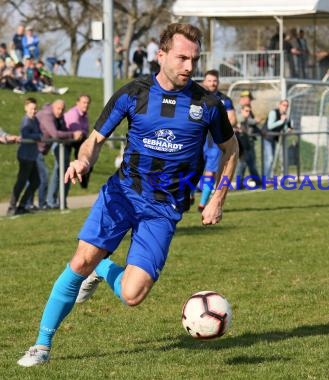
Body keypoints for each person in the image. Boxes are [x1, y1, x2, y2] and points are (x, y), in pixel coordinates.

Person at [17, 22, 238, 367]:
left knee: (133, 295)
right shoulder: (131, 94)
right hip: (122, 194)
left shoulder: (207, 104)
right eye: (182, 58)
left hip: (164, 208)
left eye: (194, 59)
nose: (189, 67)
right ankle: (41, 346)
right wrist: (82, 161)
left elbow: (231, 149)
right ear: (161, 55)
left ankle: (103, 269)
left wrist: (218, 197)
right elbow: (94, 140)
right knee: (79, 260)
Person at [195, 69, 237, 212]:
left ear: (218, 82)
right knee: (192, 168)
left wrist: (219, 126)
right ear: (204, 82)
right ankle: (188, 194)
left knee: (210, 172)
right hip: (197, 140)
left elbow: (233, 119)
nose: (212, 83)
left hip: (214, 142)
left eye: (215, 81)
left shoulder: (224, 100)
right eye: (209, 81)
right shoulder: (196, 97)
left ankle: (203, 203)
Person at [7, 98, 41, 216]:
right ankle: (12, 207)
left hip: (32, 156)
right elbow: (26, 134)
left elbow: (40, 133)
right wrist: (38, 136)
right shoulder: (26, 120)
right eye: (32, 108)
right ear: (26, 108)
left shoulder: (35, 120)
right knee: (21, 182)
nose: (34, 111)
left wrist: (38, 135)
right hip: (25, 156)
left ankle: (21, 206)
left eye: (35, 108)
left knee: (36, 182)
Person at [65, 94, 92, 189]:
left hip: (77, 141)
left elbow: (85, 131)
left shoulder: (85, 116)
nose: (86, 105)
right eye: (84, 102)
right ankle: (82, 179)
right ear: (78, 103)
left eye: (88, 103)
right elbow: (78, 133)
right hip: (67, 141)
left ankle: (84, 181)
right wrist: (83, 134)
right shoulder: (74, 113)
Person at [263, 99, 292, 177]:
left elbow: (285, 127)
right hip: (267, 138)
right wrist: (281, 121)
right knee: (269, 159)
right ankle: (266, 179)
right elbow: (270, 126)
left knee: (272, 159)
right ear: (279, 105)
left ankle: (269, 177)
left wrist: (288, 129)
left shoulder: (285, 116)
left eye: (287, 106)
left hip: (274, 139)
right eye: (284, 105)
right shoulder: (273, 112)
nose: (285, 107)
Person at [235, 104, 262, 188]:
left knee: (251, 164)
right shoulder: (239, 118)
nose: (248, 113)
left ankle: (258, 182)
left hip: (248, 146)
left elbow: (254, 125)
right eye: (246, 111)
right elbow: (240, 123)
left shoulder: (248, 120)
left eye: (249, 111)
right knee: (241, 165)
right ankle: (239, 184)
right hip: (241, 146)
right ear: (242, 111)